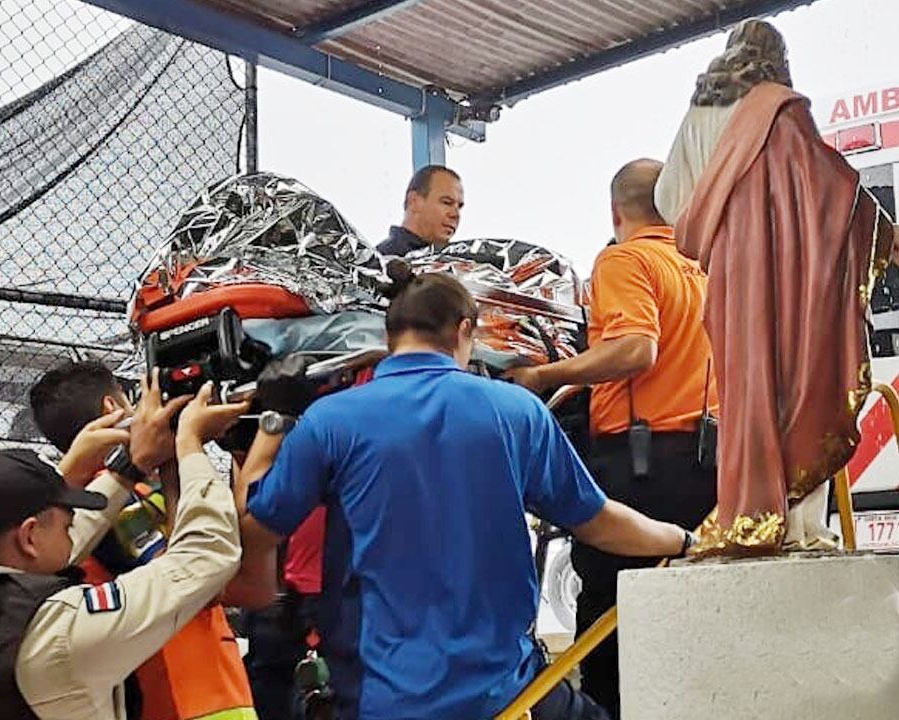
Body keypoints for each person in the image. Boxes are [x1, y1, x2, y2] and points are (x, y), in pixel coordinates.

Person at [233, 260, 692, 720]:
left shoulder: (330, 422)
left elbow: (256, 532)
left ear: (390, 335)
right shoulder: (518, 413)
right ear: (464, 330)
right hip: (505, 696)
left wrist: (271, 427)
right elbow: (600, 523)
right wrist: (684, 540)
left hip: (379, 701)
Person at [654, 19, 895, 556]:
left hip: (732, 282)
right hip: (793, 278)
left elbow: (671, 199)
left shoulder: (698, 115)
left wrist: (721, 226)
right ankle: (800, 528)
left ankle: (750, 514)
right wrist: (881, 230)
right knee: (802, 382)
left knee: (747, 394)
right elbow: (833, 192)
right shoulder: (784, 108)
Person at [504, 159, 718, 718]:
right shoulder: (703, 265)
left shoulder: (625, 258)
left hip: (641, 469)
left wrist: (544, 376)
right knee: (691, 617)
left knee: (609, 613)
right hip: (708, 469)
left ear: (615, 211)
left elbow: (635, 348)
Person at [0, 383, 247, 720]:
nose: (73, 532)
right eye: (65, 523)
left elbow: (54, 535)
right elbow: (205, 555)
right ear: (28, 537)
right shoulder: (56, 631)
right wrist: (190, 443)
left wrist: (129, 465)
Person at [29, 360, 260, 720]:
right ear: (113, 407)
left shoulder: (78, 501)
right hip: (186, 695)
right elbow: (195, 572)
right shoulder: (110, 501)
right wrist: (186, 446)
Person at [375, 165, 464, 256]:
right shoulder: (383, 262)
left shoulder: (458, 261)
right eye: (446, 202)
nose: (455, 215)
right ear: (414, 201)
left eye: (459, 207)